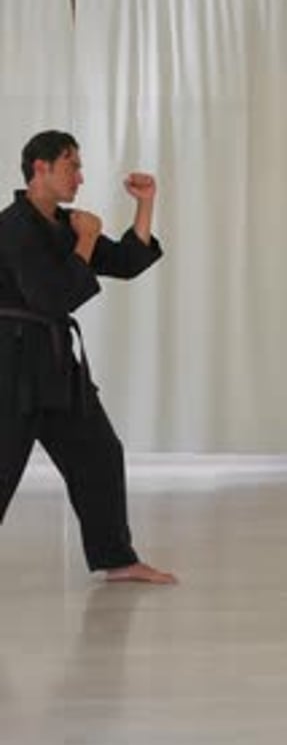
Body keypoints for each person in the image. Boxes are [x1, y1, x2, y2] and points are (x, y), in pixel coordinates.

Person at [0, 130, 177, 584]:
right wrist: (85, 239)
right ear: (40, 168)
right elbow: (52, 298)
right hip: (11, 366)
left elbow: (126, 262)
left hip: (55, 368)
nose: (80, 176)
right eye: (71, 165)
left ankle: (116, 558)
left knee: (98, 453)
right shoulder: (14, 227)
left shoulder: (64, 224)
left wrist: (145, 204)